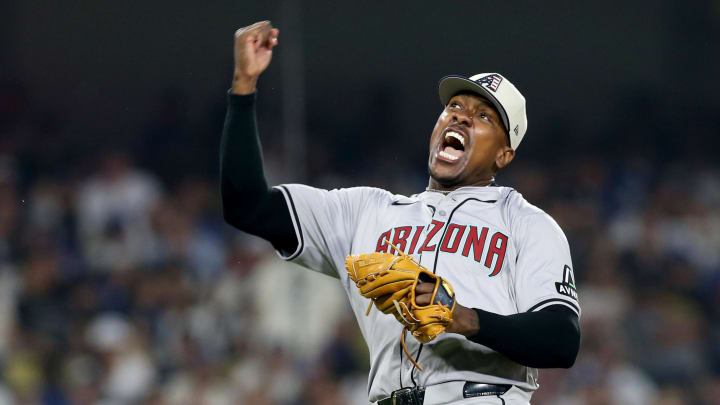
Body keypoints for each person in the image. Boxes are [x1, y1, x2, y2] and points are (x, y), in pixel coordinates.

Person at [221, 21, 581, 405]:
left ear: (503, 154)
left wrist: (461, 316)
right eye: (454, 106)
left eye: (483, 116)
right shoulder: (365, 212)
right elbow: (247, 206)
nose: (460, 116)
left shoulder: (527, 223)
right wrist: (243, 88)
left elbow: (560, 340)